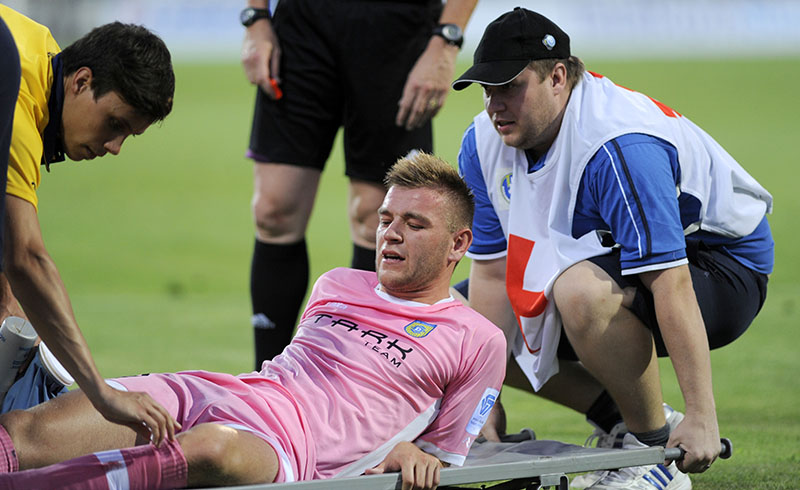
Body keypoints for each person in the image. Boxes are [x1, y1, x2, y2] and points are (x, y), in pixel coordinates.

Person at [0, 153, 506, 489]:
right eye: (386, 220)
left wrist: (409, 450)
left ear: (459, 244)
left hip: (288, 447)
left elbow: (441, 456)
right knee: (33, 429)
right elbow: (296, 378)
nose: (391, 235)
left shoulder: (477, 339)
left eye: (414, 225)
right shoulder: (336, 283)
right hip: (224, 391)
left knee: (212, 448)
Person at [452, 8, 772, 490]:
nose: (495, 105)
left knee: (580, 292)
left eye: (510, 86)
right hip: (616, 262)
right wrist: (482, 407)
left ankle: (652, 456)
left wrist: (703, 417)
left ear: (557, 77)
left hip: (721, 265)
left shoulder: (618, 145)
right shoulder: (482, 143)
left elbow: (670, 281)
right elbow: (494, 278)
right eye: (487, 89)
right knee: (451, 313)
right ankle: (621, 420)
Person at [240, 0, 479, 368]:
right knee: (274, 210)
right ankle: (265, 383)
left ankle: (360, 379)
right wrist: (256, 18)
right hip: (303, 24)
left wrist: (446, 40)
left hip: (396, 28)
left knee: (376, 216)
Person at [0, 5, 180, 442]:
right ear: (81, 81)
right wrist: (101, 393)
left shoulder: (37, 52)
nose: (114, 147)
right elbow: (26, 258)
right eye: (114, 123)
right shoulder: (18, 92)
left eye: (128, 135)